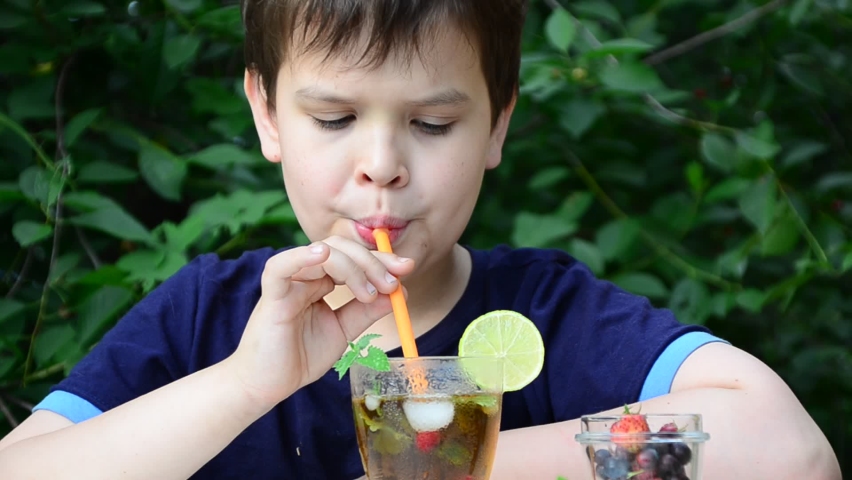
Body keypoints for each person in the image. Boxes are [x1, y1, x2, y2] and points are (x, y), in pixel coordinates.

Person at [0, 1, 841, 479]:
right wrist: (246, 385)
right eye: (333, 118)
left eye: (432, 123)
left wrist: (446, 470)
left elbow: (788, 452)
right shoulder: (204, 320)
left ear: (497, 124)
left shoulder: (545, 317)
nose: (381, 167)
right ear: (265, 114)